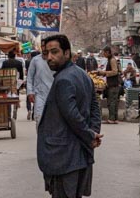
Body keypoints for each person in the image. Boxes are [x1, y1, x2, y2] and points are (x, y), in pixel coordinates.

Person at [37, 34, 102, 198]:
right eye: (47, 53)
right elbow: (95, 108)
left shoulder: (63, 80)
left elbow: (72, 116)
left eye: (54, 52)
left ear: (67, 53)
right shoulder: (82, 74)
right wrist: (93, 133)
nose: (49, 57)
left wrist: (91, 135)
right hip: (78, 155)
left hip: (65, 157)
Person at [27, 47, 54, 123]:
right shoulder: (35, 60)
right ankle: (40, 134)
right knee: (38, 117)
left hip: (54, 93)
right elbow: (30, 77)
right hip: (39, 93)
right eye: (42, 46)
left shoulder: (55, 60)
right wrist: (30, 92)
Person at [98, 46, 121, 124]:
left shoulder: (112, 60)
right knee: (113, 101)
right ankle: (115, 119)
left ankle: (112, 119)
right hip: (113, 84)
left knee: (111, 102)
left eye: (104, 53)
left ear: (107, 52)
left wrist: (104, 73)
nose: (103, 54)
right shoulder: (110, 60)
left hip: (114, 85)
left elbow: (115, 71)